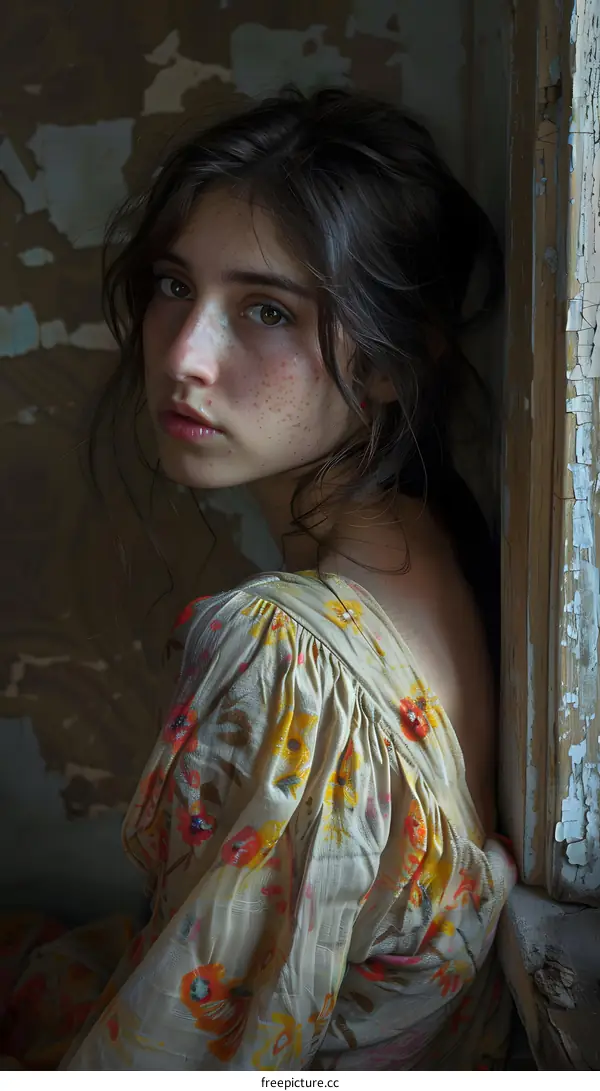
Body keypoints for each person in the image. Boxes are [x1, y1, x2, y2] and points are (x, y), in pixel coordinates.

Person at [0, 87, 516, 1070]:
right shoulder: (429, 545)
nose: (184, 356)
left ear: (392, 365)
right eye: (172, 285)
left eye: (267, 309)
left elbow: (180, 1056)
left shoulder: (285, 655)